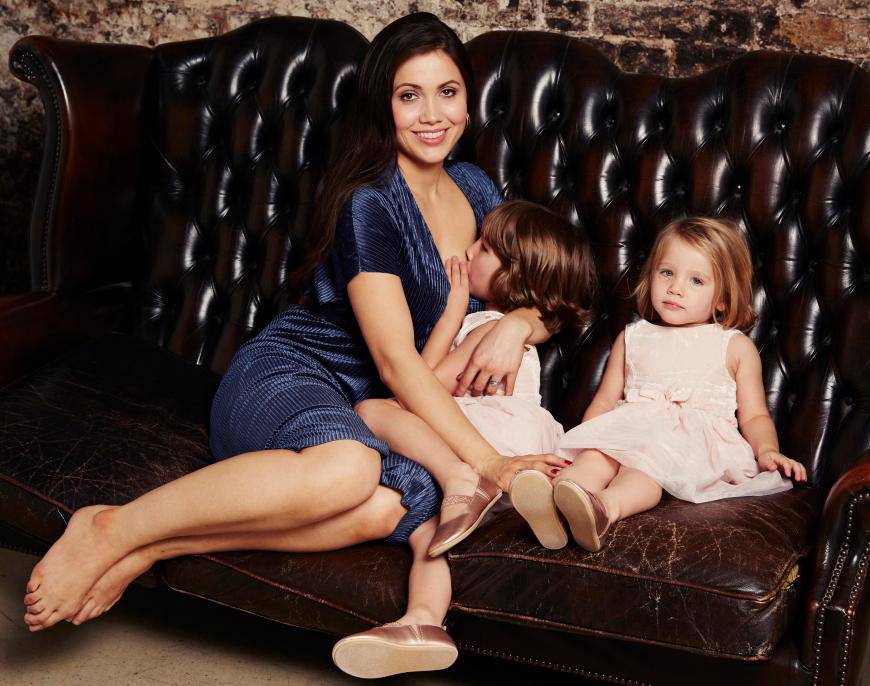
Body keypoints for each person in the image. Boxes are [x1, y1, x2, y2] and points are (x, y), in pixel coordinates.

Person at [21, 12, 565, 655]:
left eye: (447, 92)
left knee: (390, 506)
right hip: (293, 374)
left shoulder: (476, 190)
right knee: (350, 469)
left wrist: (520, 322)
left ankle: (151, 548)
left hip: (374, 412)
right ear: (382, 106)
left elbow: (550, 288)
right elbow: (395, 363)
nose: (431, 115)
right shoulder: (370, 201)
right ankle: (114, 528)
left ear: (468, 102)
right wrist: (492, 464)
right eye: (408, 95)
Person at [331, 200, 596, 677]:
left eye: (486, 248)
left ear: (517, 274)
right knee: (432, 533)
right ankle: (422, 622)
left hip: (484, 435)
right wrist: (453, 315)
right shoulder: (503, 326)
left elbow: (420, 389)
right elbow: (426, 379)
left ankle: (460, 492)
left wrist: (454, 320)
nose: (470, 251)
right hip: (519, 437)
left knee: (372, 410)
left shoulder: (489, 328)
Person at [510, 216, 808, 553]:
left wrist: (767, 450)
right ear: (651, 275)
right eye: (667, 273)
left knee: (643, 472)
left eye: (696, 280)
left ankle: (604, 508)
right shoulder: (633, 337)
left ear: (722, 299)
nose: (676, 288)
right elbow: (605, 402)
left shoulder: (734, 346)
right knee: (594, 458)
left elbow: (754, 415)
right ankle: (558, 502)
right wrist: (590, 441)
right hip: (630, 432)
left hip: (688, 448)